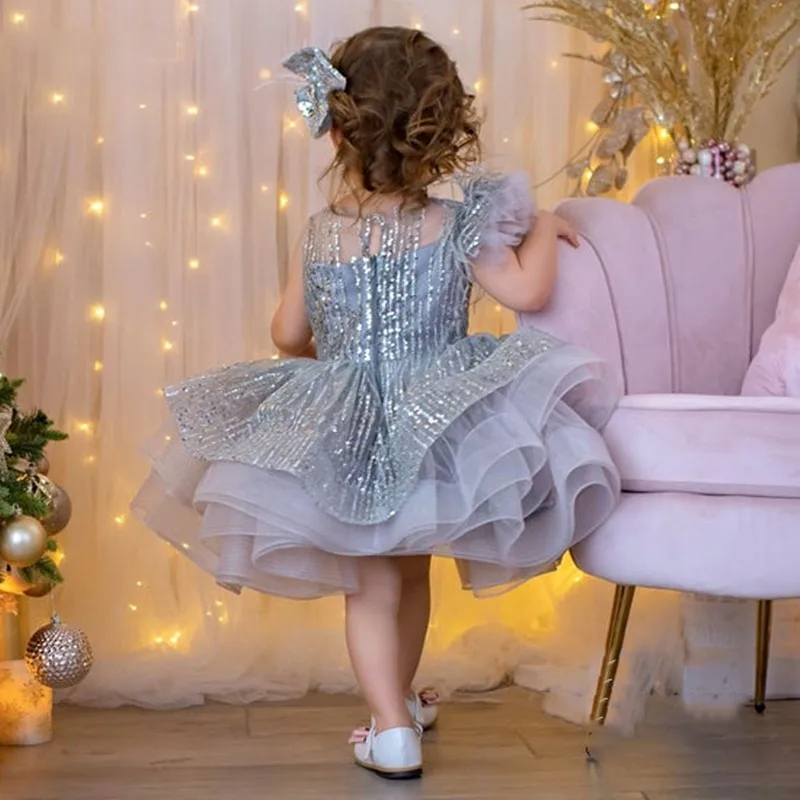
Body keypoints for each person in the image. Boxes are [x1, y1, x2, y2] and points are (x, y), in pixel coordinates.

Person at [133, 26, 620, 781]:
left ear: (339, 126)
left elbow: (287, 334)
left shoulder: (321, 233)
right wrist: (550, 226)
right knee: (410, 570)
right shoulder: (461, 220)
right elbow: (529, 290)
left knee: (371, 581)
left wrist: (337, 342)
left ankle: (391, 722)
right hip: (436, 413)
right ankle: (394, 710)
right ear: (438, 130)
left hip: (351, 421)